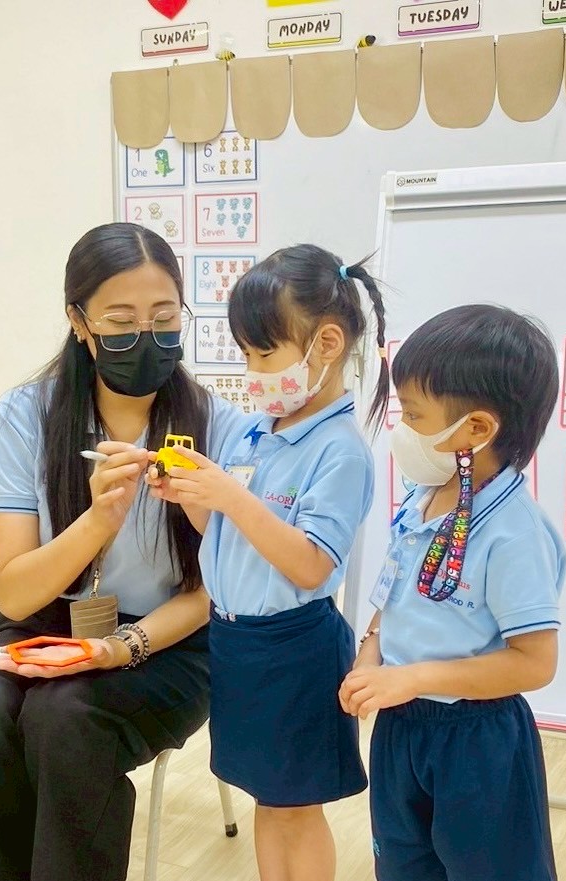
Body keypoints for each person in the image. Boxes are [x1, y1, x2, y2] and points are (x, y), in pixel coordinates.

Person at [0, 222, 241, 881]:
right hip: (45, 625)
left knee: (66, 721)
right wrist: (99, 519)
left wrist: (122, 646)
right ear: (79, 322)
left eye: (164, 318)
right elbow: (15, 594)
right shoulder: (25, 417)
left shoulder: (219, 425)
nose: (145, 338)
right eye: (120, 322)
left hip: (172, 642)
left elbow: (218, 589)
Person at [149, 245, 389, 881]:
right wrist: (192, 496)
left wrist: (231, 496)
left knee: (296, 805)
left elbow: (310, 567)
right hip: (237, 643)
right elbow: (225, 535)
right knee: (265, 794)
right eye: (246, 355)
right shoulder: (254, 430)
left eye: (263, 354)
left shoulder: (340, 450)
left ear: (326, 344)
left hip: (295, 648)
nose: (252, 372)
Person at [340, 304, 566, 881]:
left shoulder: (515, 533)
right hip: (402, 726)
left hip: (478, 739)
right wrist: (371, 653)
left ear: (477, 429)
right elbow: (394, 595)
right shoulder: (425, 497)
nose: (401, 430)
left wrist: (414, 677)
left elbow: (534, 663)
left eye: (413, 414)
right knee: (404, 865)